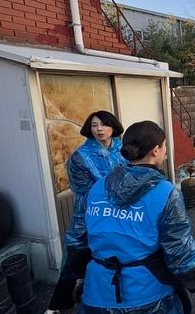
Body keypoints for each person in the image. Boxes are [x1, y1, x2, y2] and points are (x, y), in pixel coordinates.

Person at [73, 121, 195, 313]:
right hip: (148, 295)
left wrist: (76, 277)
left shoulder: (98, 187)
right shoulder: (165, 192)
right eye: (164, 145)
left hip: (96, 293)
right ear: (156, 150)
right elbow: (178, 249)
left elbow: (79, 238)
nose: (166, 150)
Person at [47, 111, 126, 312]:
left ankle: (107, 299)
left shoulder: (123, 150)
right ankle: (58, 304)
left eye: (103, 124)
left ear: (113, 127)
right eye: (94, 125)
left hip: (120, 211)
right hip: (89, 214)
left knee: (114, 257)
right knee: (76, 255)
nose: (99, 129)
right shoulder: (80, 157)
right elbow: (83, 190)